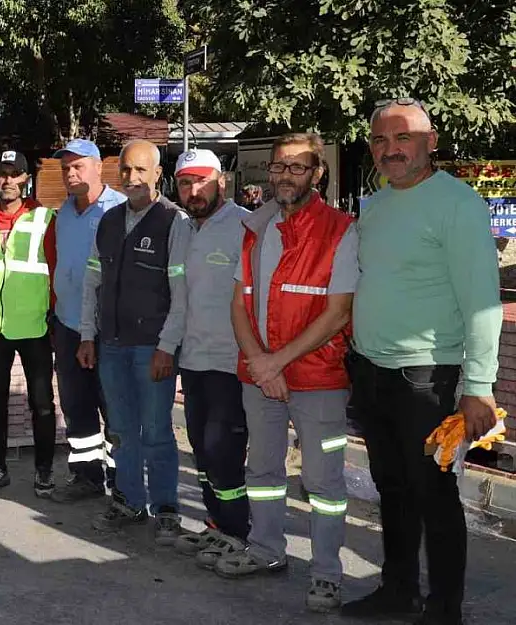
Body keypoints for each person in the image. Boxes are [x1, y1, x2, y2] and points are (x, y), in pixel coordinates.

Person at [343, 100, 502, 625]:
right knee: (391, 488)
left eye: (403, 138)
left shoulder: (457, 204)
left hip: (427, 379)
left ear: (430, 141)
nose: (391, 149)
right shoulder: (377, 204)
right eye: (380, 140)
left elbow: (482, 299)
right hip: (371, 371)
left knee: (433, 495)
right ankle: (398, 590)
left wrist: (478, 387)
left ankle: (444, 608)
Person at [215, 132, 356, 614]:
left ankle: (326, 575)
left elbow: (338, 313)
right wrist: (260, 361)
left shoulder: (341, 229)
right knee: (263, 470)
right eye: (278, 167)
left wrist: (275, 361)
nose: (285, 176)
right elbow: (239, 303)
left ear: (318, 173)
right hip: (259, 374)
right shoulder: (255, 227)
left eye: (298, 167)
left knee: (323, 482)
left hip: (318, 379)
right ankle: (267, 551)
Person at [78, 140, 190, 541]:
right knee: (121, 430)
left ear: (158, 174)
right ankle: (128, 500)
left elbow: (181, 294)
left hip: (151, 347)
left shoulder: (173, 221)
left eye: (141, 170)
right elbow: (93, 281)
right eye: (126, 170)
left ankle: (165, 509)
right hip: (111, 344)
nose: (132, 178)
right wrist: (88, 335)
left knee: (157, 431)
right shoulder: (108, 222)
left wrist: (167, 346)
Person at [166, 150, 252, 567]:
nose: (193, 190)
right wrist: (169, 346)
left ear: (222, 182)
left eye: (201, 181)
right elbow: (178, 299)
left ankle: (238, 532)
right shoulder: (182, 230)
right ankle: (216, 526)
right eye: (185, 183)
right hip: (193, 359)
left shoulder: (244, 226)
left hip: (230, 362)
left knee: (224, 451)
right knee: (200, 448)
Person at [0, 149, 58, 496]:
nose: (7, 180)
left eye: (14, 174)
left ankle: (44, 470)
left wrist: (52, 316)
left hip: (34, 326)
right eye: (2, 174)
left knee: (42, 403)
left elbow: (54, 267)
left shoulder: (45, 219)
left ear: (25, 179)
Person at [49, 138, 125, 503]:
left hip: (106, 328)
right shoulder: (64, 212)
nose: (70, 173)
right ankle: (86, 477)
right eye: (66, 167)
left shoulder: (119, 211)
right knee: (75, 404)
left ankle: (121, 478)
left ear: (99, 167)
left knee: (112, 403)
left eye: (78, 165)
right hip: (66, 323)